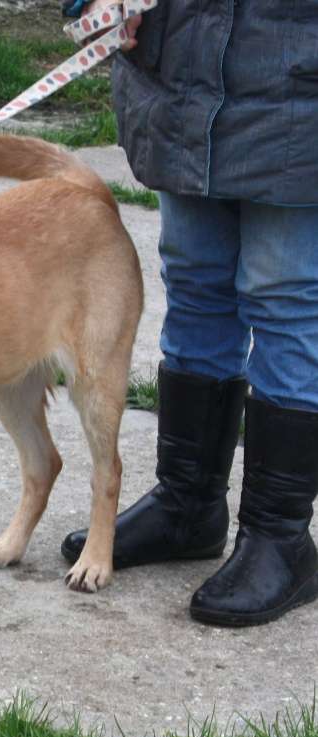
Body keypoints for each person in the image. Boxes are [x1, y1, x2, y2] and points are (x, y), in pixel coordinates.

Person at [61, 0, 318, 626]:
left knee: (284, 297)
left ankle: (279, 537)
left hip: (296, 83)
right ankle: (188, 505)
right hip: (182, 74)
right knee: (196, 283)